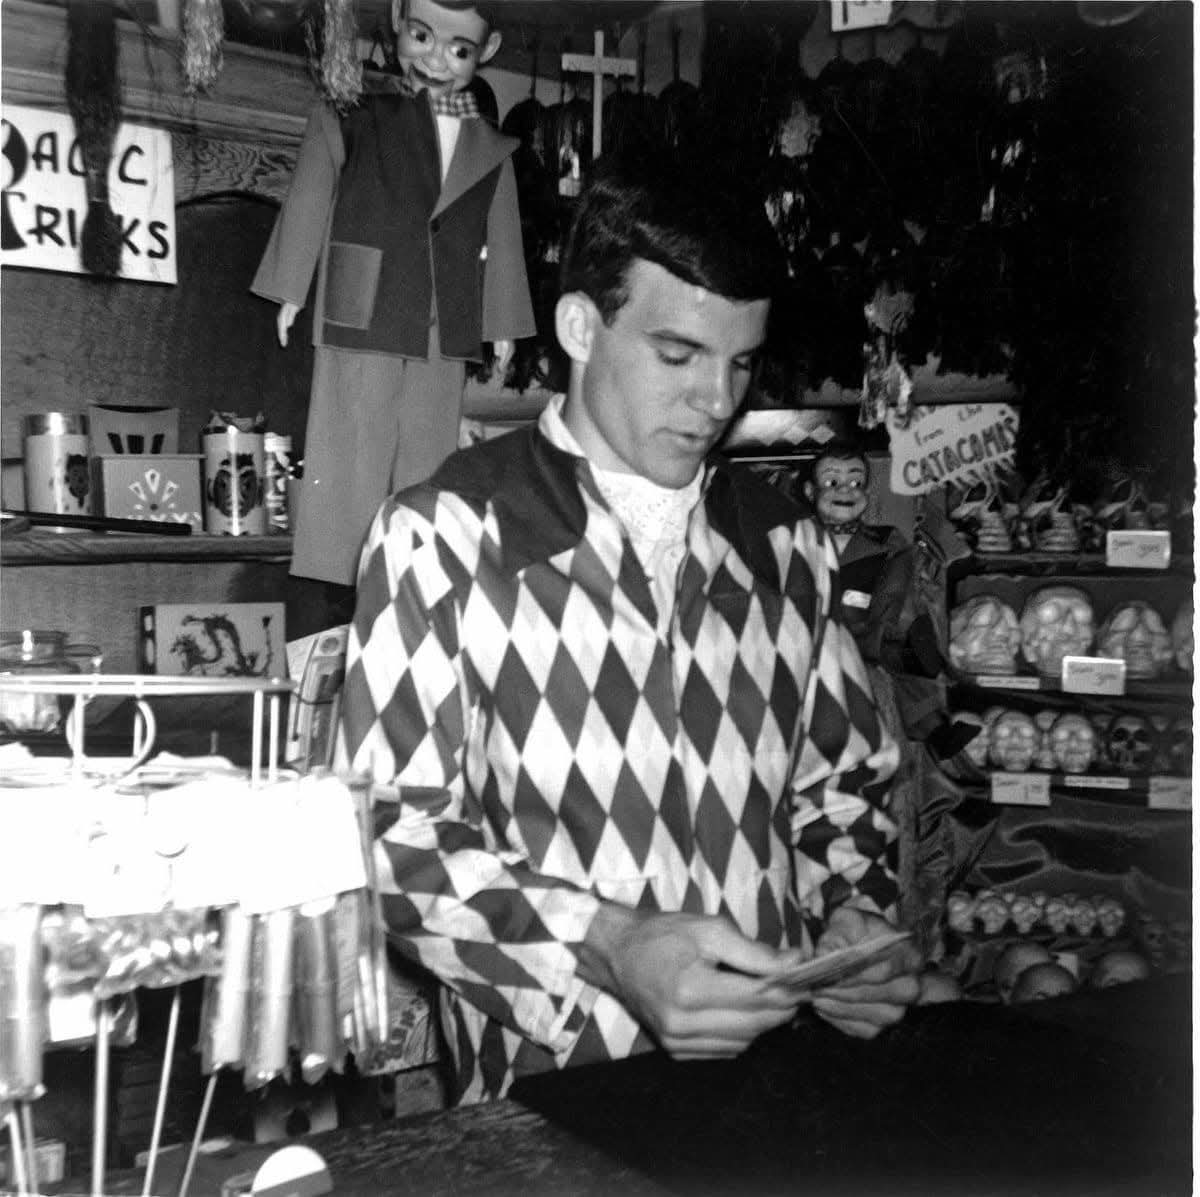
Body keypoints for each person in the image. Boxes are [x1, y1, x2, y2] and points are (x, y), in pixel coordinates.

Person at [340, 157, 921, 1104]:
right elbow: (390, 840)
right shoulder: (443, 536)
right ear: (579, 326)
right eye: (678, 354)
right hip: (552, 1091)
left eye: (741, 362)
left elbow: (838, 786)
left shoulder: (785, 545)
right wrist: (609, 949)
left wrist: (854, 915)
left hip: (773, 1078)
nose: (717, 400)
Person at [251, 0, 535, 589]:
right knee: (351, 444)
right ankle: (341, 580)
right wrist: (291, 288)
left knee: (426, 460)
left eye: (459, 50)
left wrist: (501, 323)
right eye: (421, 35)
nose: (436, 59)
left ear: (490, 51)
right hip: (364, 305)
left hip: (440, 319)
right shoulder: (352, 113)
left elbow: (502, 237)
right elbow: (310, 196)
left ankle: (411, 580)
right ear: (399, 19)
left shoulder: (493, 148)